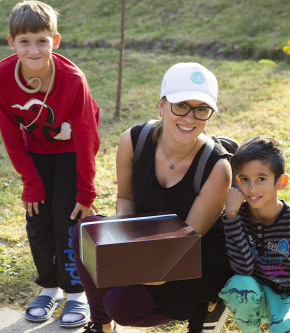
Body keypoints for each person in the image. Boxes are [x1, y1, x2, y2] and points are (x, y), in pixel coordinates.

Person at [72, 62, 234, 333]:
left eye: (201, 109)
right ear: (161, 106)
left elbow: (184, 246)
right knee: (84, 233)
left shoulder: (218, 167)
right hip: (149, 239)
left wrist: (138, 267)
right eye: (181, 105)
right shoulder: (133, 140)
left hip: (197, 254)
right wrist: (120, 243)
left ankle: (208, 302)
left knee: (121, 304)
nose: (190, 118)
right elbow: (125, 198)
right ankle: (101, 326)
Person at [0, 0, 100, 328]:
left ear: (55, 40)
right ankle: (49, 287)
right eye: (24, 41)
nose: (34, 49)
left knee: (67, 217)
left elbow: (86, 138)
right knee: (37, 219)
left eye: (42, 40)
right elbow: (10, 133)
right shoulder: (1, 76)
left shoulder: (72, 79)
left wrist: (86, 191)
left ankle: (77, 293)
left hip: (71, 151)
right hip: (35, 150)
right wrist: (31, 181)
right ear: (12, 43)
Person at [219, 135, 290, 332]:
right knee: (239, 285)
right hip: (255, 294)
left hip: (286, 299)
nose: (252, 188)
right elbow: (243, 269)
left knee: (286, 328)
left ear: (280, 182)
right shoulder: (236, 217)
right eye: (244, 179)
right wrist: (232, 217)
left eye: (261, 179)